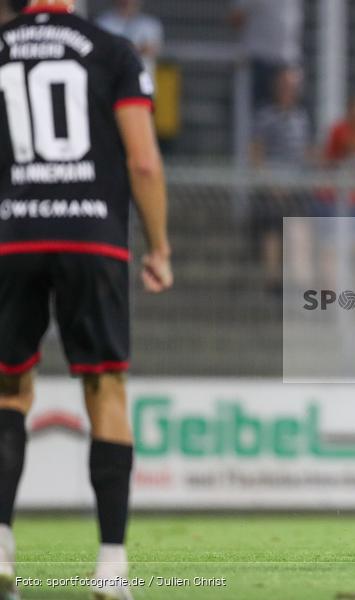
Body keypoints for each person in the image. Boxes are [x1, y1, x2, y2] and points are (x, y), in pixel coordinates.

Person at [0, 1, 171, 599]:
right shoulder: (112, 50)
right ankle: (111, 569)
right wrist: (160, 247)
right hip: (92, 237)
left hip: (13, 235)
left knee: (7, 391)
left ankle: (0, 549)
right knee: (105, 389)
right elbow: (144, 160)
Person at [249, 66, 311, 294]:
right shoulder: (266, 116)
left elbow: (304, 153)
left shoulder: (301, 118)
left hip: (295, 185)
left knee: (299, 226)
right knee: (272, 227)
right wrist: (269, 182)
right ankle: (272, 280)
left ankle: (300, 281)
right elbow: (256, 152)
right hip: (272, 184)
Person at [229, 0, 303, 108]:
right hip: (259, 61)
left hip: (288, 61)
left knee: (289, 114)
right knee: (257, 110)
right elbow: (236, 17)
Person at [96, 0, 163, 82]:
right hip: (112, 82)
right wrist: (136, 48)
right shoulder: (104, 22)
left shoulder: (150, 24)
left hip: (141, 82)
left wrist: (120, 49)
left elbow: (151, 50)